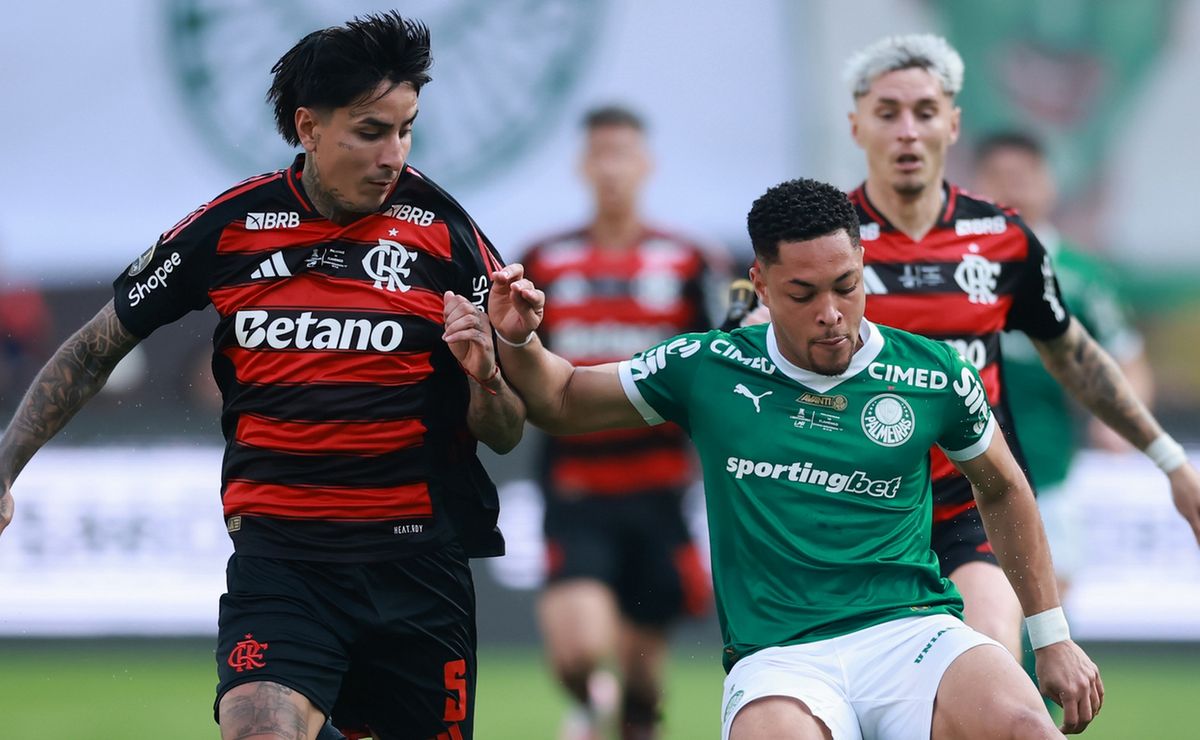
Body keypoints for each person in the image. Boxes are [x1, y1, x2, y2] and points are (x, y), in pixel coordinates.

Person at [0, 13, 526, 740]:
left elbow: (506, 433)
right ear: (308, 128)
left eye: (406, 130)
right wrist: (5, 466)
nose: (394, 155)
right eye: (371, 131)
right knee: (258, 729)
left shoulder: (443, 231)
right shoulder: (233, 226)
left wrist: (488, 379)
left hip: (416, 568)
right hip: (283, 564)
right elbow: (94, 349)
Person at [488, 177, 1103, 738]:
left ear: (863, 265)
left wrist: (1052, 637)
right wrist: (517, 337)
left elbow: (1003, 488)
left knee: (1026, 727)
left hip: (913, 634)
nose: (831, 313)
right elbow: (562, 397)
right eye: (803, 293)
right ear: (759, 285)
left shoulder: (934, 371)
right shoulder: (709, 366)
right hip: (780, 659)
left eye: (846, 286)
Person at [841, 33, 1200, 660]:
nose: (907, 130)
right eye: (887, 112)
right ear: (856, 126)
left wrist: (1169, 458)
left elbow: (1076, 357)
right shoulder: (824, 241)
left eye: (925, 112)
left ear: (952, 125)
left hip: (973, 502)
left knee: (990, 662)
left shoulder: (1001, 238)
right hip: (855, 504)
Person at [518, 105, 720, 740]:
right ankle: (586, 695)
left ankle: (630, 715)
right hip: (577, 487)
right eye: (599, 153)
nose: (611, 168)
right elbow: (522, 364)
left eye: (623, 153)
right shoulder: (544, 261)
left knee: (643, 689)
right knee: (578, 652)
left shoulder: (688, 261)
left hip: (659, 490)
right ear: (583, 165)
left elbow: (716, 367)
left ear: (646, 164)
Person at [972, 130, 1155, 589]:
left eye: (1024, 175)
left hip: (1049, 463)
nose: (1012, 189)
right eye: (999, 176)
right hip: (959, 467)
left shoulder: (1081, 275)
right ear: (975, 186)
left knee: (1053, 590)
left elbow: (1128, 358)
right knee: (973, 595)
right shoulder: (954, 266)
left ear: (1048, 183)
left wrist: (1119, 419)